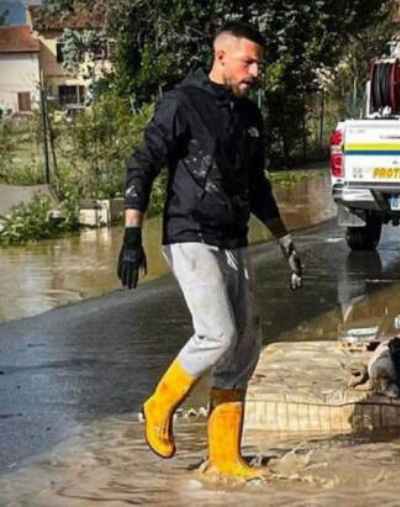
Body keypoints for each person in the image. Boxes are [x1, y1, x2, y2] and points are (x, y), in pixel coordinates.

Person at [116, 22, 303, 481]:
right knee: (216, 333)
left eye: (259, 62)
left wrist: (284, 239)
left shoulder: (249, 117)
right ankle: (159, 404)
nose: (257, 71)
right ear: (221, 57)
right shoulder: (183, 103)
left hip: (234, 239)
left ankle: (225, 459)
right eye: (249, 61)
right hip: (189, 233)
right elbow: (143, 164)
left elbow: (258, 188)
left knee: (244, 346)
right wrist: (131, 235)